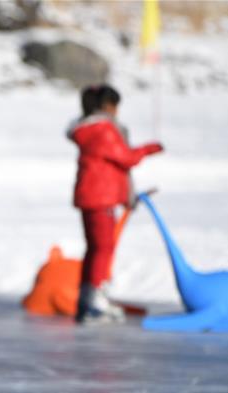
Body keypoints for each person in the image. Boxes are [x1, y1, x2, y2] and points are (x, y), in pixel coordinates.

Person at [67, 84, 163, 324]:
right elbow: (126, 158)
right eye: (115, 105)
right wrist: (150, 148)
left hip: (91, 195)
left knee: (94, 248)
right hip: (102, 197)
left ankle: (87, 299)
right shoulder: (104, 129)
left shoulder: (89, 128)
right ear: (107, 106)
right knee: (103, 248)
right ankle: (95, 303)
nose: (117, 111)